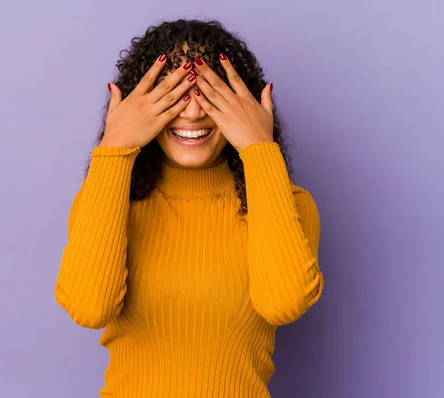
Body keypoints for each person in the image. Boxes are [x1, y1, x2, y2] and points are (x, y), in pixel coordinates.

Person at [55, 18, 324, 397]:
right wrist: (113, 151)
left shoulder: (289, 203)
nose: (193, 114)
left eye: (210, 95)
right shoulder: (108, 202)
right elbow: (89, 307)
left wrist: (259, 150)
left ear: (240, 104)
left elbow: (284, 302)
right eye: (174, 94)